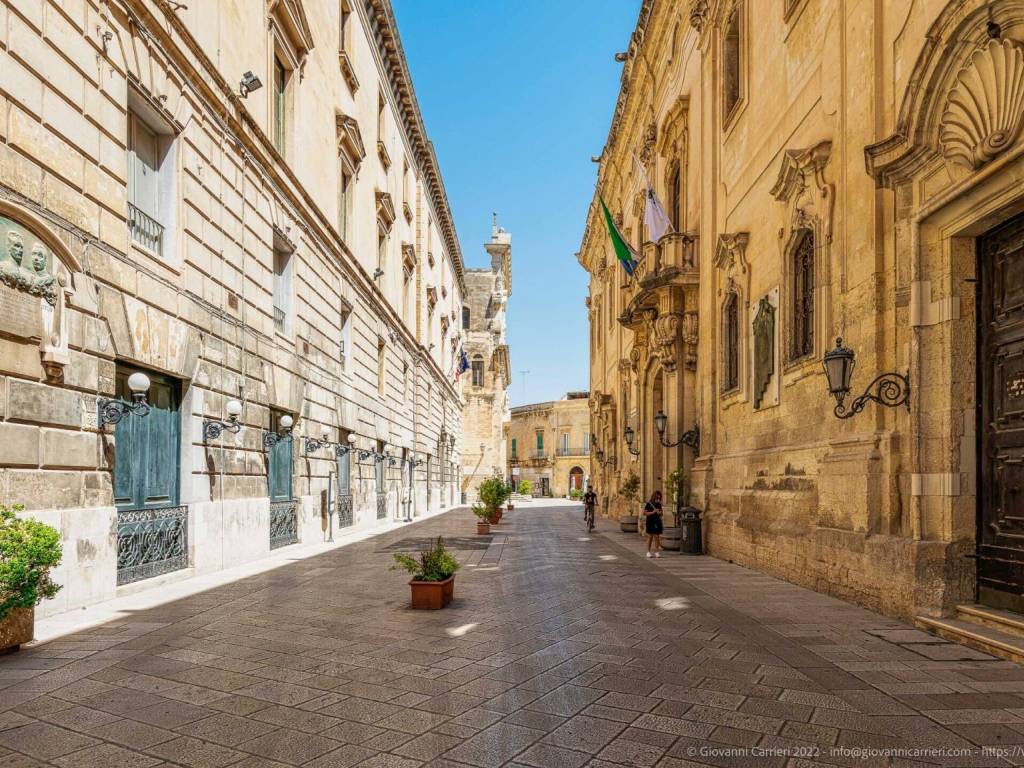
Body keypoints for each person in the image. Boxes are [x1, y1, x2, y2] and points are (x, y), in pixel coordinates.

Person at [644, 490, 664, 558]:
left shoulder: (659, 504)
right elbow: (645, 513)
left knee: (657, 537)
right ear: (654, 497)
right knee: (650, 536)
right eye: (657, 498)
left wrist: (660, 513)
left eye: (659, 498)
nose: (658, 499)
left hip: (657, 521)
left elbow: (661, 513)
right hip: (650, 521)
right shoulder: (649, 504)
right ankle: (648, 552)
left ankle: (657, 552)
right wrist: (653, 512)